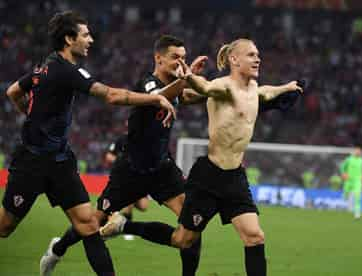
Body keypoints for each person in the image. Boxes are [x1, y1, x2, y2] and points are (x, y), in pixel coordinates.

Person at [101, 38, 303, 276]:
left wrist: (286, 87)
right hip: (209, 176)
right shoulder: (223, 86)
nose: (257, 58)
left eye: (258, 54)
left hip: (235, 177)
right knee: (182, 240)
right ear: (234, 60)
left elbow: (267, 93)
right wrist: (188, 77)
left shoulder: (253, 90)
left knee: (255, 236)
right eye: (250, 54)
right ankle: (126, 225)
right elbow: (205, 88)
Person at [0, 11, 176, 276]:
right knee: (5, 227)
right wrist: (154, 99)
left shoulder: (46, 66)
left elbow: (14, 91)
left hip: (60, 162)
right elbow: (112, 96)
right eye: (85, 35)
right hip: (31, 162)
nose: (91, 40)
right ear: (69, 39)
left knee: (89, 226)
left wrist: (33, 115)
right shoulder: (65, 70)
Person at [41, 34, 206, 276]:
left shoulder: (178, 88)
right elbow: (160, 95)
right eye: (175, 57)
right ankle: (58, 248)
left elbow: (191, 95)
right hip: (130, 169)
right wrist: (187, 78)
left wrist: (225, 90)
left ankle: (126, 227)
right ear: (158, 58)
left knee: (193, 225)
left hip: (162, 168)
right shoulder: (147, 83)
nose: (180, 62)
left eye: (183, 58)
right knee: (92, 222)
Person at [105, 133, 150, 241]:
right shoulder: (121, 139)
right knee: (129, 200)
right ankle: (126, 228)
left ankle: (116, 210)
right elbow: (109, 156)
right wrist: (122, 162)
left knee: (144, 206)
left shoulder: (145, 141)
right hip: (123, 177)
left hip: (139, 179)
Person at [340, 147, 362, 219]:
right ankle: (345, 198)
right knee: (345, 194)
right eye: (357, 151)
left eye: (360, 152)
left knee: (358, 196)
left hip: (357, 181)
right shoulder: (349, 159)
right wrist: (343, 173)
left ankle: (357, 213)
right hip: (348, 180)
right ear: (354, 152)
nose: (359, 153)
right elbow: (342, 167)